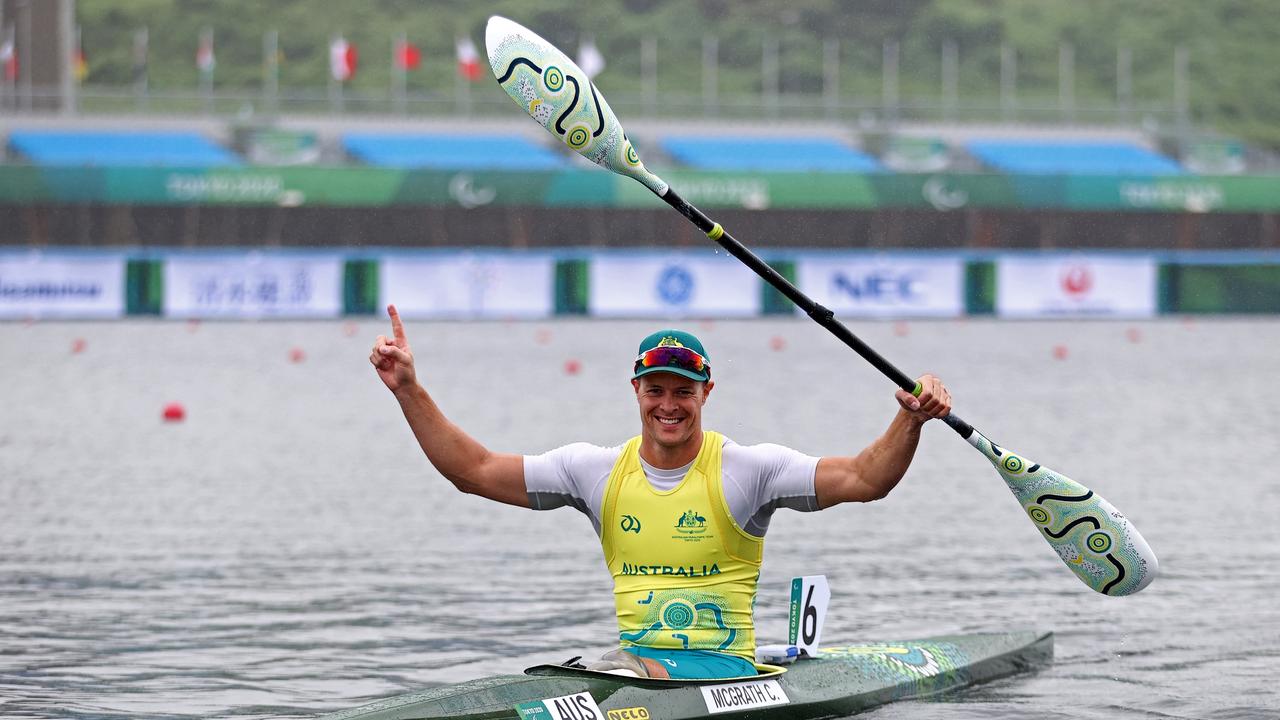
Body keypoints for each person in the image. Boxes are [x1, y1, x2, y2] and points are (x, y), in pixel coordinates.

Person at [370, 305, 951, 680]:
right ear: (636, 390)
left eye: (683, 392)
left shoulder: (749, 471)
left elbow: (864, 478)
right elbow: (472, 470)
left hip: (723, 675)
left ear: (706, 393)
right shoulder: (592, 471)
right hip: (636, 672)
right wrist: (408, 391)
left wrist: (911, 420)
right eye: (656, 391)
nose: (668, 405)